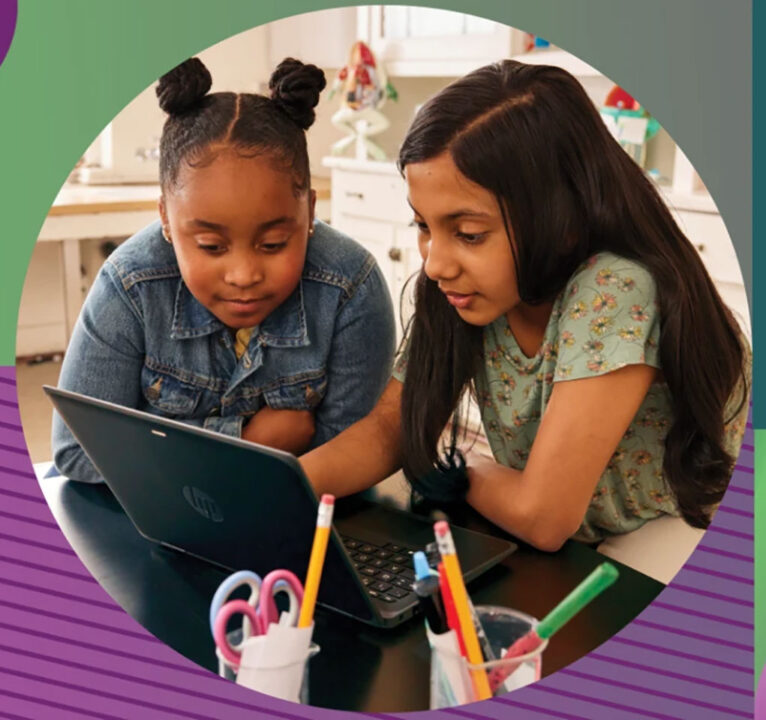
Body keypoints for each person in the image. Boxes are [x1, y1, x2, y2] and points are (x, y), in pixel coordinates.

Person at [301, 60, 751, 552]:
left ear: (563, 223)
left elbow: (542, 516)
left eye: (469, 234)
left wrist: (460, 467)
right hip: (581, 541)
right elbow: (391, 427)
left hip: (683, 537)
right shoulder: (467, 291)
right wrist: (283, 485)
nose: (434, 264)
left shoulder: (615, 289)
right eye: (423, 226)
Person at [52, 56, 395, 483]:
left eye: (272, 244)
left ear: (309, 211)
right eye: (212, 246)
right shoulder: (131, 284)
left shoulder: (350, 288)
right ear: (165, 218)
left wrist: (185, 457)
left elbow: (352, 453)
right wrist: (246, 442)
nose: (243, 274)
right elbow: (77, 452)